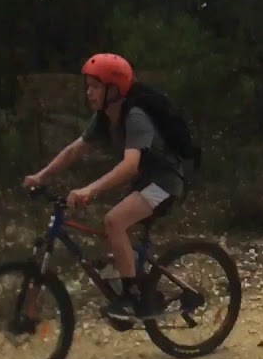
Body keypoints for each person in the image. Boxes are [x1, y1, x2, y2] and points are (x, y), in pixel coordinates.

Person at [22, 53, 186, 321]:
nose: (89, 93)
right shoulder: (104, 117)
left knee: (114, 221)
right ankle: (134, 282)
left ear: (113, 89)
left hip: (165, 184)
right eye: (87, 86)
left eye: (95, 87)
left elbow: (131, 164)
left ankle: (133, 300)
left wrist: (90, 190)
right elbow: (74, 150)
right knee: (110, 234)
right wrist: (41, 176)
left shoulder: (135, 116)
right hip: (145, 182)